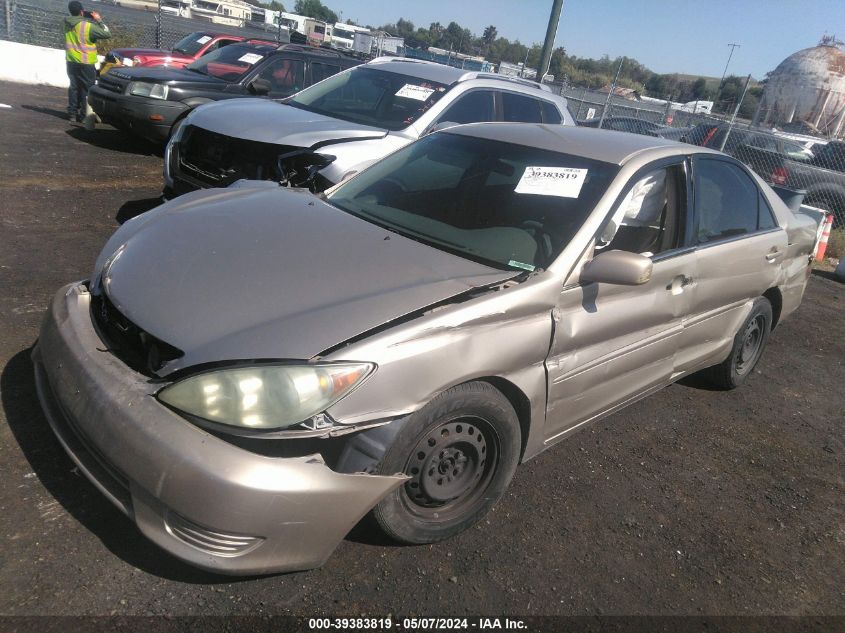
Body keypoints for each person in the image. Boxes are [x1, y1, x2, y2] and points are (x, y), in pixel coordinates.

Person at [64, 1, 110, 123]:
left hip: (71, 60)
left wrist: (81, 16)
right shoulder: (88, 26)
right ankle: (84, 115)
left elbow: (75, 24)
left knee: (74, 87)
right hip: (86, 62)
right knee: (87, 89)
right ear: (81, 11)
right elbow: (107, 34)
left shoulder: (66, 22)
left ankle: (72, 113)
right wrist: (98, 20)